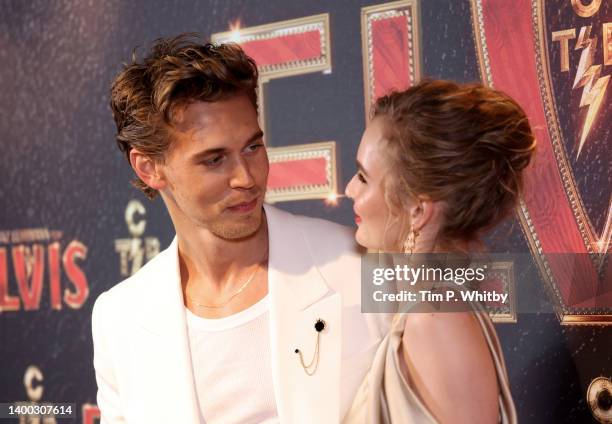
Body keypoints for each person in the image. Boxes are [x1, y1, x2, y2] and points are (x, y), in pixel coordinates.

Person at [92, 34, 391, 424]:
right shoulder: (119, 318)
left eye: (252, 147)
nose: (246, 177)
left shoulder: (363, 265)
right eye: (214, 159)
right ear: (149, 168)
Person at [344, 80, 536, 423]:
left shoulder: (432, 319)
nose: (349, 189)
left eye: (363, 177)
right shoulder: (429, 311)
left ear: (419, 211)